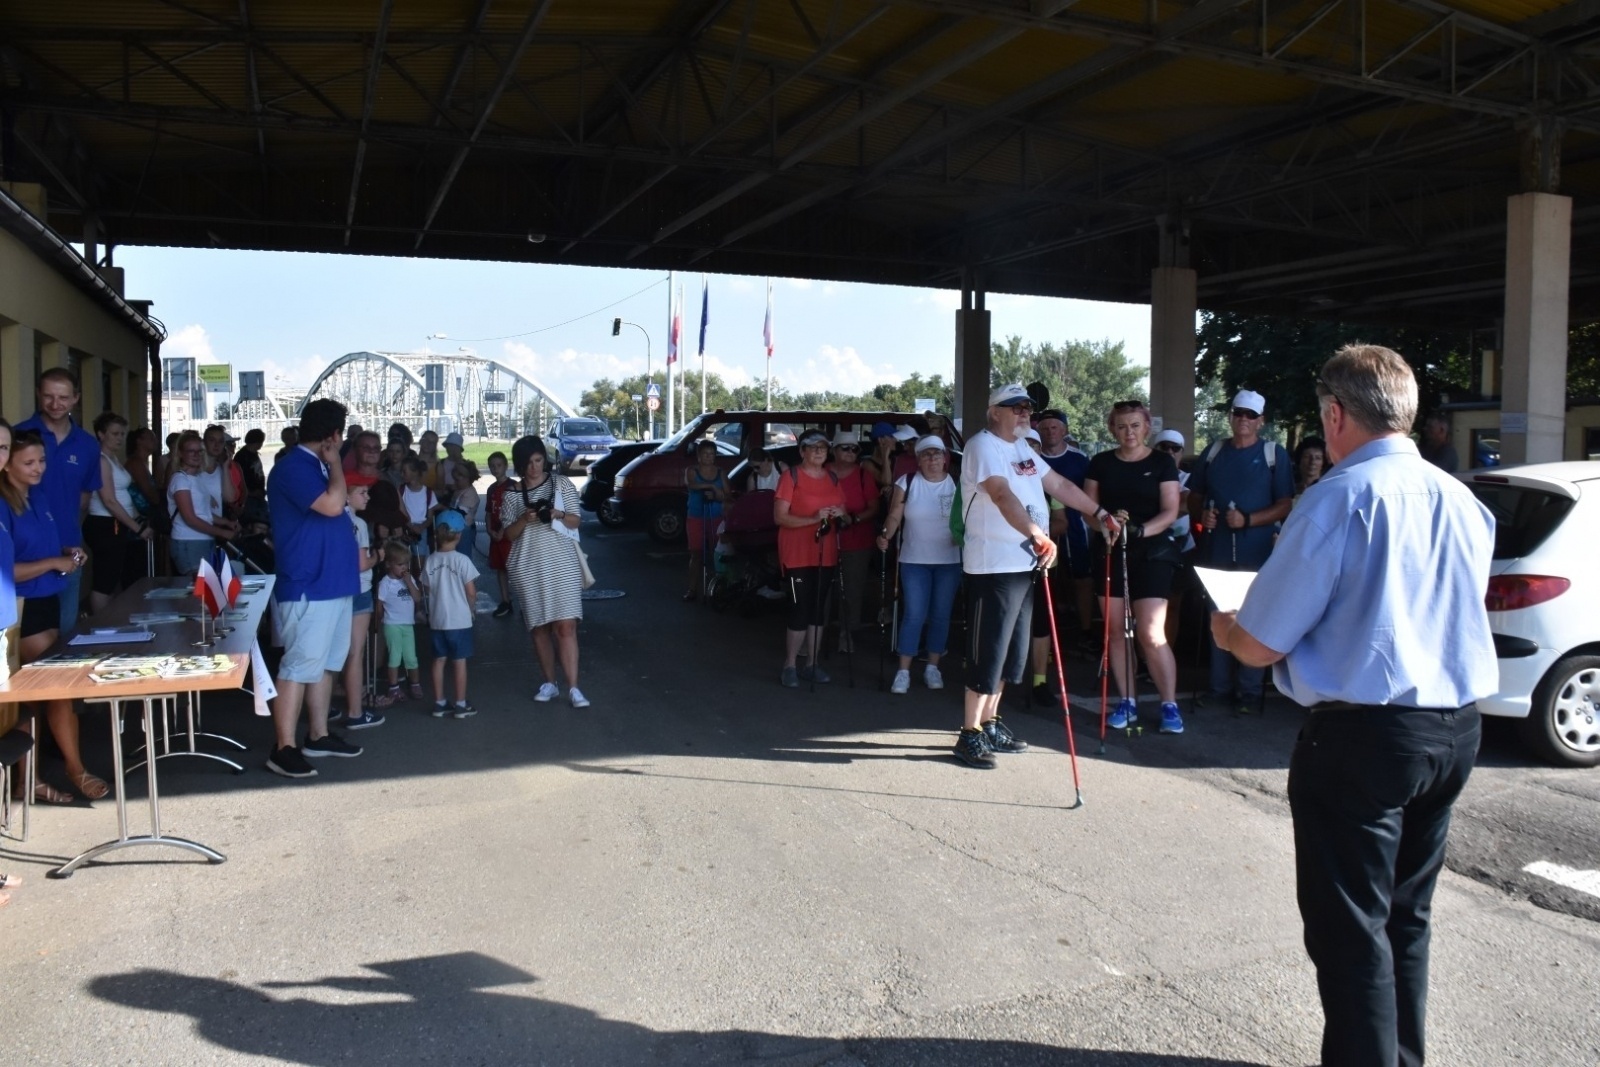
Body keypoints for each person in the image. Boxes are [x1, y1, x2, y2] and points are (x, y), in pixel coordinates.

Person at [1211, 343, 1494, 1067]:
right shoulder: (1463, 498)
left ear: (1335, 414)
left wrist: (1225, 628)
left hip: (1364, 735)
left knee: (1351, 932)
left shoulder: (1337, 496)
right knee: (1406, 918)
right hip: (1455, 726)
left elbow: (1263, 641)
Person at [955, 384, 1118, 769]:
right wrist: (1036, 532)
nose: (1025, 413)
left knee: (1012, 654)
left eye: (1027, 408)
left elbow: (1060, 485)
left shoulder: (1024, 448)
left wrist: (1099, 513)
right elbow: (1000, 495)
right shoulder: (982, 446)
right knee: (988, 652)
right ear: (995, 411)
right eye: (1016, 407)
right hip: (993, 565)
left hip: (1026, 564)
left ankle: (990, 722)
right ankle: (968, 733)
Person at [0, 429, 102, 803]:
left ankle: (32, 780)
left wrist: (66, 552)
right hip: (19, 610)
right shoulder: (3, 504)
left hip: (48, 601)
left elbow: (39, 548)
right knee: (55, 687)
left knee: (35, 699)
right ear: (7, 464)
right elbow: (7, 569)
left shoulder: (37, 497)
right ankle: (75, 769)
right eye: (28, 462)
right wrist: (54, 562)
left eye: (42, 460)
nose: (38, 468)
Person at [265, 398, 363, 779]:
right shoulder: (295, 467)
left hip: (332, 582)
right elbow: (332, 505)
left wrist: (331, 463)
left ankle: (318, 735)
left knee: (325, 663)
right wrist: (337, 461)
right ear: (333, 436)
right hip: (309, 583)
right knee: (299, 664)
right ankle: (283, 746)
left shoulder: (316, 466)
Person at [1189, 388, 1294, 717]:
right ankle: (1219, 688)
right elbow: (1194, 494)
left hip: (1258, 554)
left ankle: (1248, 692)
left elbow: (1285, 505)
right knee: (1219, 617)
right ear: (1231, 415)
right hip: (1218, 553)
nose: (1243, 420)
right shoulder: (1215, 450)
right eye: (1238, 413)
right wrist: (1200, 515)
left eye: (1250, 415)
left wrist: (1248, 519)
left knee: (1254, 621)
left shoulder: (1274, 454)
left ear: (1261, 421)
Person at [1084, 400, 1184, 735]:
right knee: (1114, 632)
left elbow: (1170, 510)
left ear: (1146, 427)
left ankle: (1169, 704)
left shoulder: (1161, 463)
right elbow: (1089, 511)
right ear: (1113, 428)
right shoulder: (1100, 463)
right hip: (1110, 551)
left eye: (1135, 425)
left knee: (1150, 632)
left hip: (1152, 553)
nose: (1129, 432)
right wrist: (1107, 527)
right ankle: (1127, 700)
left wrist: (1140, 530)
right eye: (1122, 426)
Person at [502, 435, 588, 707]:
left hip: (562, 563)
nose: (534, 468)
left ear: (545, 459)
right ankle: (550, 682)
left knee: (566, 626)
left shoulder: (561, 483)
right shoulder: (512, 494)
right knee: (539, 627)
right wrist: (524, 519)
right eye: (528, 463)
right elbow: (509, 535)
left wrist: (557, 514)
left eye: (538, 460)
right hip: (528, 565)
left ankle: (574, 688)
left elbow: (576, 521)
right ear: (519, 465)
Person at [16, 368, 100, 635]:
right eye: (48, 396)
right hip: (24, 554)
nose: (55, 404)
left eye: (63, 397)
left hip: (69, 552)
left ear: (76, 398)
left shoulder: (87, 444)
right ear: (38, 395)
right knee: (19, 642)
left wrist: (68, 535)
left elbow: (84, 498)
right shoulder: (19, 436)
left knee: (63, 636)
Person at [875, 435, 959, 694]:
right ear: (918, 460)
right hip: (913, 560)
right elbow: (894, 514)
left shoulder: (958, 483)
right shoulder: (907, 482)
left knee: (941, 615)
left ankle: (932, 667)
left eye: (937, 454)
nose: (932, 459)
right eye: (926, 455)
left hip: (950, 560)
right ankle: (903, 671)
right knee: (914, 614)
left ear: (945, 458)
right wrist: (885, 534)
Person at [774, 429, 848, 688]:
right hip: (796, 555)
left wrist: (839, 512)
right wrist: (813, 519)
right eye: (813, 446)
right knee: (799, 609)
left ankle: (812, 663)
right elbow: (780, 517)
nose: (818, 451)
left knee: (818, 610)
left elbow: (844, 511)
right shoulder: (790, 477)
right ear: (802, 451)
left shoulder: (832, 478)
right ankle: (790, 664)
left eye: (823, 447)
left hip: (824, 554)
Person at [1033, 408, 1096, 677]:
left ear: (1065, 430)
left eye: (1055, 427)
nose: (1050, 432)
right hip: (1043, 528)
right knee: (1050, 582)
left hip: (1077, 526)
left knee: (1082, 579)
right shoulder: (1030, 458)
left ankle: (1085, 631)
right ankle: (1049, 633)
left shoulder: (1080, 459)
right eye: (1045, 428)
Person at [84, 412, 154, 610]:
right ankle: (100, 626)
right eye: (115, 434)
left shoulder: (112, 458)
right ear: (100, 434)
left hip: (116, 523)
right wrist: (137, 528)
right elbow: (109, 500)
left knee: (113, 576)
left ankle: (107, 622)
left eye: (122, 434)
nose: (120, 438)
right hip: (105, 523)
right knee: (104, 581)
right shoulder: (101, 460)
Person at [334, 479, 384, 731]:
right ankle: (355, 712)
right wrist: (378, 556)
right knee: (355, 652)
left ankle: (326, 705)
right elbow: (362, 564)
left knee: (332, 651)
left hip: (334, 590)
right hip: (359, 589)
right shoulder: (358, 524)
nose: (367, 497)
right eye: (361, 492)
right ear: (346, 496)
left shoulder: (329, 519)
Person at [424, 510, 479, 718]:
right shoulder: (463, 561)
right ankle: (460, 704)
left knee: (438, 660)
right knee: (459, 661)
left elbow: (428, 589)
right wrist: (471, 609)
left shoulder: (430, 560)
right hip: (460, 620)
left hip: (437, 620)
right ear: (459, 535)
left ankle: (439, 703)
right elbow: (471, 592)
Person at [829, 430, 879, 652]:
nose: (850, 452)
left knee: (852, 590)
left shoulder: (863, 475)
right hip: (824, 540)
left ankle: (846, 633)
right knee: (821, 588)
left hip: (857, 541)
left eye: (854, 449)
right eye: (845, 448)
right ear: (834, 451)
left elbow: (874, 507)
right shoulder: (824, 472)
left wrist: (854, 518)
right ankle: (813, 634)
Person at [167, 431, 239, 576]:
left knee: (205, 590)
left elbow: (203, 512)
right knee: (198, 590)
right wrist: (222, 532)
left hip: (203, 540)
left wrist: (226, 522)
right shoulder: (180, 479)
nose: (196, 455)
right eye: (191, 451)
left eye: (200, 451)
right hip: (188, 540)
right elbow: (190, 518)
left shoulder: (196, 478)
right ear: (180, 453)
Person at [373, 540, 425, 707]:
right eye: (400, 564)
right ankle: (393, 686)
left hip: (407, 624)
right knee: (395, 656)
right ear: (389, 564)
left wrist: (409, 581)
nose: (404, 568)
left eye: (406, 564)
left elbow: (417, 598)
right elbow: (379, 605)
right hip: (392, 624)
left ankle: (415, 684)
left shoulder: (408, 580)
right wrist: (378, 621)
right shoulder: (385, 583)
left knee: (411, 656)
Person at [682, 439, 729, 601]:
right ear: (699, 456)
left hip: (716, 516)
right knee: (696, 554)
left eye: (712, 454)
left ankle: (720, 587)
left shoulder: (720, 472)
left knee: (717, 552)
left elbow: (727, 494)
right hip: (695, 516)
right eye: (705, 454)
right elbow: (691, 485)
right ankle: (692, 589)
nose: (709, 457)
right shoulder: (692, 470)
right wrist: (712, 487)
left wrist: (716, 495)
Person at [484, 451, 515, 617]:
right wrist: (489, 530)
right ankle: (505, 601)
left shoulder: (512, 487)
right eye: (492, 466)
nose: (495, 469)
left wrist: (503, 531)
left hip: (508, 534)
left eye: (498, 465)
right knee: (500, 568)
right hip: (495, 534)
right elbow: (489, 511)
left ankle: (525, 603)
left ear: (505, 466)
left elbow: (513, 513)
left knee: (515, 569)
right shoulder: (491, 489)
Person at [399, 455, 438, 570]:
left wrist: (420, 527)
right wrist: (410, 526)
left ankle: (418, 586)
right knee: (404, 564)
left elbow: (430, 517)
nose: (401, 474)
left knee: (419, 566)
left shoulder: (428, 493)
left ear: (415, 472)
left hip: (421, 531)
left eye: (404, 471)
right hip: (405, 529)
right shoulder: (401, 491)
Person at [446, 460, 480, 559]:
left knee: (463, 555)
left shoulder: (470, 494)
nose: (455, 482)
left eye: (458, 479)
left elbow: (460, 513)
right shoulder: (459, 489)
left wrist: (442, 507)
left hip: (465, 528)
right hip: (455, 528)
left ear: (467, 479)